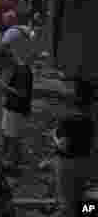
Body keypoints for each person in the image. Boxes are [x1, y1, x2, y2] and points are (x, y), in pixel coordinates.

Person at [54, 83, 94, 217]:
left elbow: (63, 145)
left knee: (67, 202)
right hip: (84, 162)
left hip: (66, 164)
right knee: (79, 200)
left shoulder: (67, 120)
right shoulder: (89, 121)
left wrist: (53, 136)